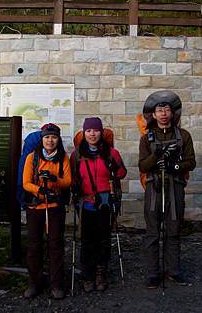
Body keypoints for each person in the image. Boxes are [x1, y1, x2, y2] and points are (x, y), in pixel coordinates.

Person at [138, 91, 196, 289]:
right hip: (154, 187)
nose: (163, 113)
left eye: (166, 109)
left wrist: (175, 166)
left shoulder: (184, 136)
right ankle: (153, 273)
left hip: (175, 186)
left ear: (172, 113)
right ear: (153, 115)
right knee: (153, 232)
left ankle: (174, 270)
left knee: (174, 229)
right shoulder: (147, 138)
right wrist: (156, 156)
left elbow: (191, 162)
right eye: (159, 110)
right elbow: (143, 166)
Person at [71, 117, 127, 292]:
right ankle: (88, 274)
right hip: (86, 201)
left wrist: (113, 170)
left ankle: (100, 273)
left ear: (101, 132)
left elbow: (122, 172)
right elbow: (72, 177)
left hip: (106, 201)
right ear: (84, 133)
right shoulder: (77, 155)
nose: (92, 134)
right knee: (87, 240)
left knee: (103, 239)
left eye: (95, 130)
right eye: (88, 131)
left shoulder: (112, 153)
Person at [22, 123, 72, 299]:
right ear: (42, 139)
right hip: (36, 206)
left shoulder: (63, 158)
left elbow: (67, 181)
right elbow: (26, 182)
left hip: (54, 207)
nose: (50, 141)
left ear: (58, 139)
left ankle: (56, 284)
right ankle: (34, 282)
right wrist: (39, 190)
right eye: (47, 137)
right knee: (34, 245)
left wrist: (54, 180)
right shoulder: (32, 157)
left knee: (55, 245)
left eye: (54, 137)